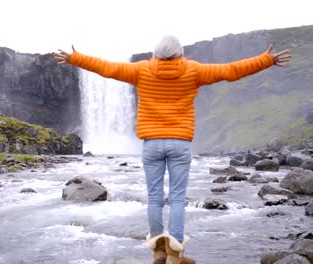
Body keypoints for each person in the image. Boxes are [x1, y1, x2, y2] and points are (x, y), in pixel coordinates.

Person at [54, 36, 291, 264]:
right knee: (177, 199)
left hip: (152, 144)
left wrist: (76, 58)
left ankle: (158, 252)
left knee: (155, 199)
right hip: (180, 143)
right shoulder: (193, 70)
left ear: (155, 53)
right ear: (180, 53)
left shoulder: (141, 70)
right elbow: (231, 70)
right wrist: (266, 60)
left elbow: (106, 68)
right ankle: (174, 256)